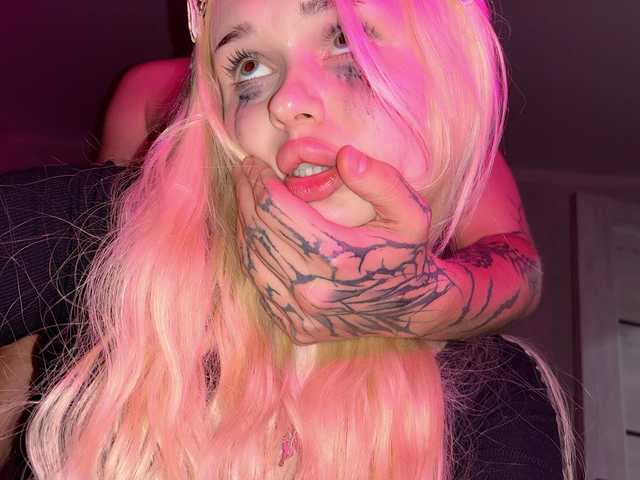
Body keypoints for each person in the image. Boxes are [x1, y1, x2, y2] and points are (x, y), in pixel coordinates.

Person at [0, 0, 574, 478]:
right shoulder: (101, 218)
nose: (287, 102)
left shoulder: (494, 402)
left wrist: (416, 302)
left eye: (346, 42)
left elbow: (517, 260)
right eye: (247, 65)